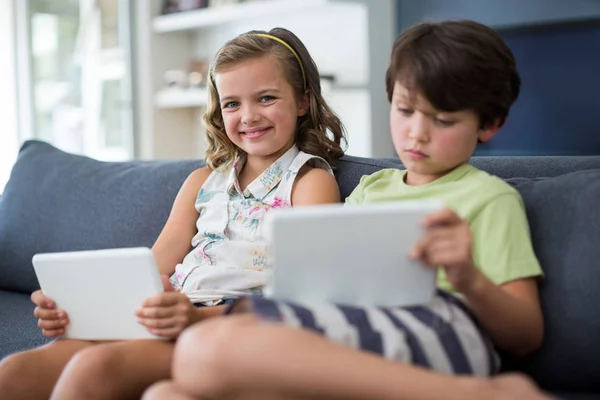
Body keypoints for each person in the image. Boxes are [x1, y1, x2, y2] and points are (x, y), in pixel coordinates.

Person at [143, 20, 552, 400]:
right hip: (355, 324)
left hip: (440, 324)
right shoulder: (370, 189)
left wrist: (468, 276)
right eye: (405, 111)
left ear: (489, 124)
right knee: (165, 394)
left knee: (200, 352)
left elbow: (526, 335)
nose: (417, 133)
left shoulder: (489, 198)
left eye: (442, 120)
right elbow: (318, 285)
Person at [0, 27, 346, 400]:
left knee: (94, 369)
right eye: (232, 104)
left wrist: (193, 316)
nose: (248, 116)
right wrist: (76, 308)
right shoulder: (202, 182)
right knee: (16, 371)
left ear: (301, 101)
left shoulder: (309, 181)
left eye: (265, 98)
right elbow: (153, 266)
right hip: (170, 314)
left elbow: (303, 295)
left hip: (229, 325)